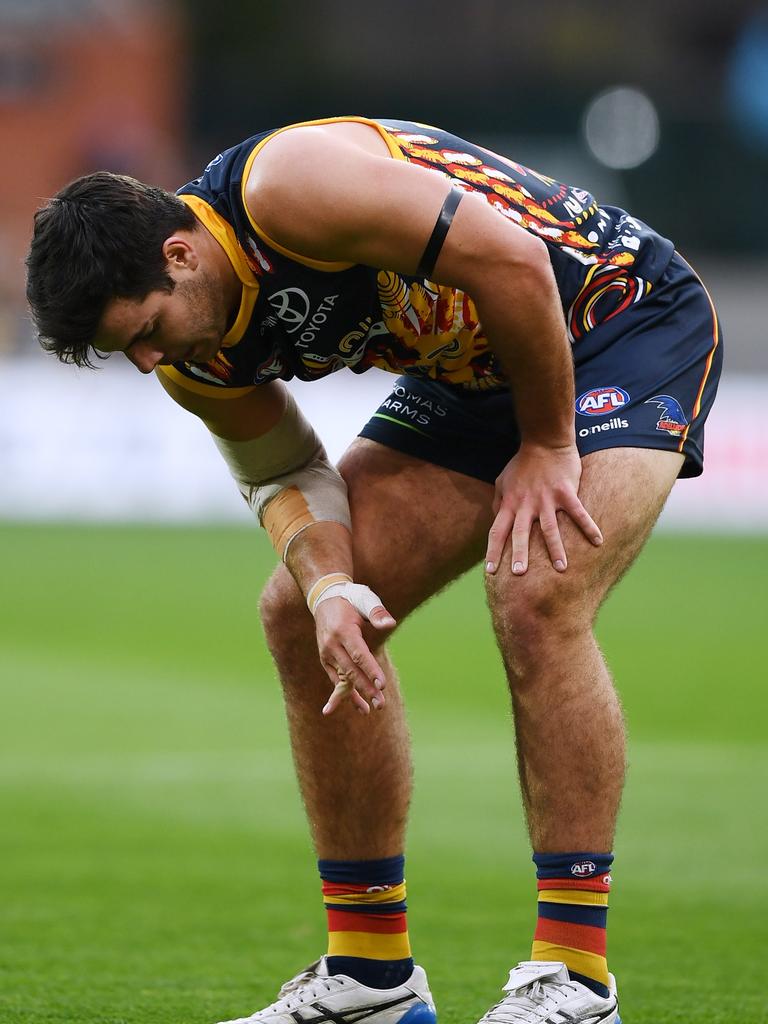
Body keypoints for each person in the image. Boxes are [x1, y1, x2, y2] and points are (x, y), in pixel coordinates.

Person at [26, 115, 722, 1024]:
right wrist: (329, 587)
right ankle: (370, 980)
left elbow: (513, 263)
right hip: (471, 369)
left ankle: (575, 981)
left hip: (617, 322)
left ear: (180, 254)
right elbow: (282, 472)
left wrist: (550, 443)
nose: (151, 361)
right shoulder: (191, 356)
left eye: (148, 331)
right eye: (131, 352)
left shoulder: (292, 190)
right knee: (299, 617)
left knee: (535, 594)